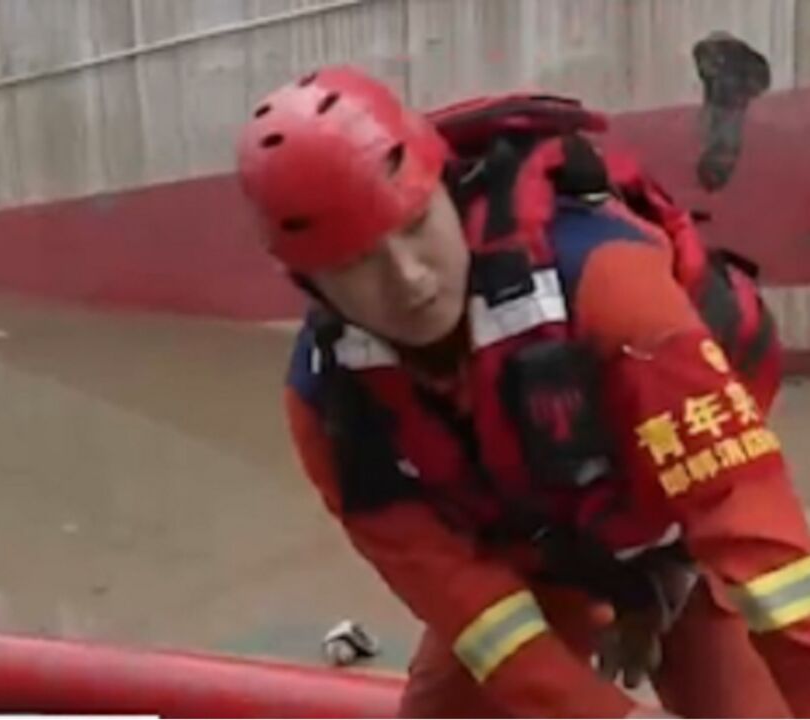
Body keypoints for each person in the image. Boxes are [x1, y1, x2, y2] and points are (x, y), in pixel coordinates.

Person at [234, 65, 810, 717]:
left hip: (679, 533)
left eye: (418, 224)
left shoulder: (608, 286)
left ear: (447, 187)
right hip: (538, 565)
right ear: (311, 286)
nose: (410, 277)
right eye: (357, 263)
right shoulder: (332, 410)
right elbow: (478, 615)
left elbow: (751, 527)